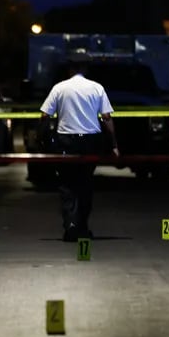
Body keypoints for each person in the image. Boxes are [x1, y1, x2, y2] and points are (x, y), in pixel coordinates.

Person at [38, 59, 120, 242]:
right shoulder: (96, 88)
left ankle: (70, 225)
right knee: (85, 184)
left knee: (67, 185)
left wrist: (44, 140)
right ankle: (82, 226)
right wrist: (113, 145)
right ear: (85, 69)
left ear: (69, 70)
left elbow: (44, 115)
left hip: (66, 140)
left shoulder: (59, 88)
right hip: (91, 141)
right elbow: (107, 118)